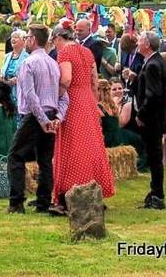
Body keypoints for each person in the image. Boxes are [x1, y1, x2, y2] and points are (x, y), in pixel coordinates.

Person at [51, 23, 115, 214]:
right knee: (92, 146)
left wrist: (57, 98)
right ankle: (94, 191)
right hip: (88, 101)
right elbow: (95, 81)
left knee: (72, 147)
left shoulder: (64, 53)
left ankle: (69, 194)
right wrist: (93, 101)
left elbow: (66, 79)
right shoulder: (87, 52)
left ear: (58, 38)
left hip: (72, 102)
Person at [7, 24, 66, 214]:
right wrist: (57, 117)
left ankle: (16, 203)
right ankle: (42, 202)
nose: (25, 40)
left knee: (15, 156)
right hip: (49, 113)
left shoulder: (28, 63)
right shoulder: (53, 63)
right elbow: (64, 96)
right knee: (45, 160)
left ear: (32, 40)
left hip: (35, 115)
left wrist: (42, 119)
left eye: (27, 37)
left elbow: (30, 96)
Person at [134, 30, 166, 210]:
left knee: (154, 157)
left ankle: (157, 194)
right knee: (154, 156)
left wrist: (141, 114)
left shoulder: (153, 64)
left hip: (152, 119)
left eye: (140, 40)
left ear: (147, 44)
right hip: (155, 117)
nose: (137, 43)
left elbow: (153, 94)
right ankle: (155, 192)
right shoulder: (154, 62)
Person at [97, 79, 146, 171]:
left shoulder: (99, 106)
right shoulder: (112, 104)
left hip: (110, 137)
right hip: (118, 133)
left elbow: (121, 122)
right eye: (114, 89)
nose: (118, 91)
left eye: (120, 88)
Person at [1, 29, 29, 105]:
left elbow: (29, 76)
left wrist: (17, 80)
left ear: (23, 40)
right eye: (12, 37)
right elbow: (2, 73)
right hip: (6, 92)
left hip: (19, 93)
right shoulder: (7, 56)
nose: (13, 39)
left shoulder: (27, 57)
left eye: (16, 37)